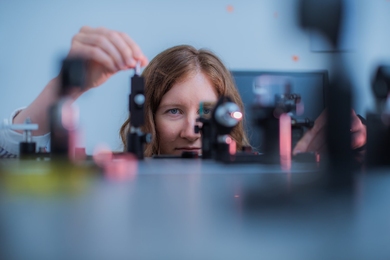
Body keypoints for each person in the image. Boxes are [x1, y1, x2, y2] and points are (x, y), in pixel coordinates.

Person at [0, 26, 366, 158]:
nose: (194, 129)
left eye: (208, 112)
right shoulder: (117, 176)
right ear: (149, 119)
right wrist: (62, 89)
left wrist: (351, 143)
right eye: (174, 111)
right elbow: (9, 160)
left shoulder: (266, 172)